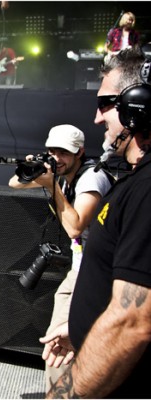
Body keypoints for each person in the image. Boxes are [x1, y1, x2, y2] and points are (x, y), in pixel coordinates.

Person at [44, 47, 151, 398]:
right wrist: (81, 331)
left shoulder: (147, 188)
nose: (97, 118)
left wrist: (63, 395)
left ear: (138, 105)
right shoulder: (135, 183)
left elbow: (132, 323)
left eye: (106, 103)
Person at [9, 124, 113, 393]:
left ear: (79, 152)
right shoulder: (60, 173)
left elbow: (75, 227)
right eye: (52, 151)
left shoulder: (91, 178)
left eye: (63, 153)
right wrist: (35, 168)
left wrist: (51, 184)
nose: (57, 158)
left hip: (97, 271)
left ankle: (59, 393)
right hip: (84, 267)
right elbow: (13, 183)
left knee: (59, 339)